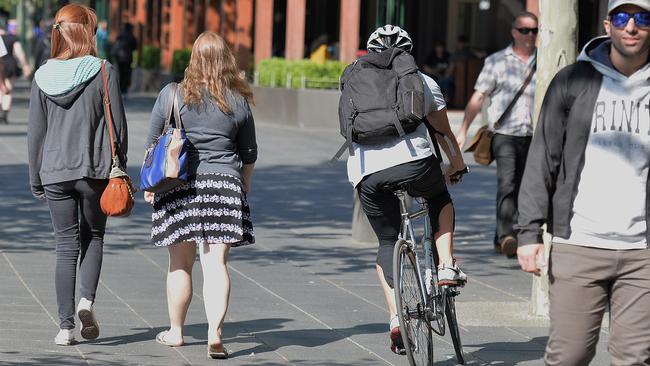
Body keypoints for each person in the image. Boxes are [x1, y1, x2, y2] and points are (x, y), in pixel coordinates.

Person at [517, 0, 650, 364]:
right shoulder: (574, 80)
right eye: (623, 18)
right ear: (608, 25)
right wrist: (528, 233)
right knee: (569, 356)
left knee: (636, 359)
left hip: (644, 253)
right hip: (580, 244)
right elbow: (543, 157)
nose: (632, 27)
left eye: (643, 19)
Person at [348, 25, 468, 354]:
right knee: (439, 196)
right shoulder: (423, 81)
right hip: (415, 162)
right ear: (408, 51)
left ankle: (396, 318)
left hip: (367, 173)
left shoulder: (356, 81)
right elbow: (442, 133)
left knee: (387, 240)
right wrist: (456, 164)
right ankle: (445, 266)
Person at [144, 31, 257, 359]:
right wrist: (243, 182)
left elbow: (153, 143)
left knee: (180, 262)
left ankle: (176, 331)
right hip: (223, 185)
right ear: (226, 59)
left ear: (193, 58)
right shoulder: (238, 99)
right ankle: (214, 334)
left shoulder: (172, 94)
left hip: (179, 186)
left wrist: (152, 187)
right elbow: (249, 151)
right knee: (216, 263)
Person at [27, 4, 128, 346]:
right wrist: (121, 168)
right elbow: (120, 129)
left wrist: (35, 177)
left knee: (64, 248)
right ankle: (87, 300)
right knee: (94, 237)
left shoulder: (42, 76)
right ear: (87, 32)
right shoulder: (103, 71)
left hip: (54, 171)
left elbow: (35, 133)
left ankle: (65, 328)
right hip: (94, 170)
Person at [455, 12, 538, 257]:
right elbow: (478, 96)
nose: (530, 36)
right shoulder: (496, 61)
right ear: (514, 32)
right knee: (508, 184)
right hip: (505, 134)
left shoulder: (545, 60)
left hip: (534, 134)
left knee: (528, 187)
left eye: (534, 31)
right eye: (525, 30)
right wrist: (463, 130)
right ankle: (506, 235)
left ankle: (507, 235)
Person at [0, 9, 31, 123]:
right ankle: (4, 112)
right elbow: (19, 52)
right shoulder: (13, 38)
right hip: (10, 64)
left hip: (1, 63)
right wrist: (25, 65)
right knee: (8, 88)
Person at [111, 22, 137, 95]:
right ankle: (125, 89)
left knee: (120, 72)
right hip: (128, 58)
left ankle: (120, 88)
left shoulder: (120, 35)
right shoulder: (131, 36)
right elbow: (135, 47)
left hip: (119, 58)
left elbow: (116, 45)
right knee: (127, 73)